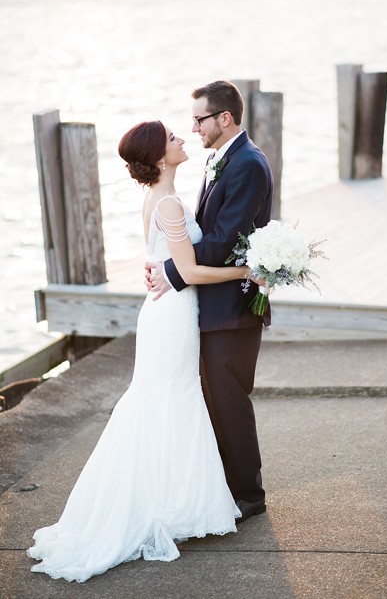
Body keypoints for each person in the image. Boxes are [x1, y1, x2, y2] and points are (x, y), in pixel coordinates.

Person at [28, 119, 261, 582]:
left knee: (163, 400)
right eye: (172, 138)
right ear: (159, 156)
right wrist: (245, 272)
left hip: (165, 311)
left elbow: (163, 260)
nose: (180, 139)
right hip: (172, 314)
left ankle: (166, 498)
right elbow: (190, 272)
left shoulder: (158, 198)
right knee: (171, 399)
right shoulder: (170, 203)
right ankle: (164, 505)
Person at [145, 81, 273, 524]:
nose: (193, 127)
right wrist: (169, 264)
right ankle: (225, 486)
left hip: (233, 309)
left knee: (229, 398)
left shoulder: (247, 164)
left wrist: (172, 269)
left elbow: (223, 243)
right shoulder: (221, 160)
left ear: (225, 118)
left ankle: (248, 495)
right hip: (211, 305)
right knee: (216, 399)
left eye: (200, 118)